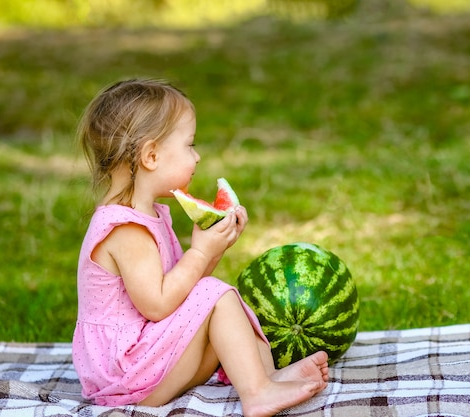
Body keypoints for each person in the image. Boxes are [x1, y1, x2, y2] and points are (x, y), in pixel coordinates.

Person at [72, 79, 329, 416]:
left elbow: (184, 294)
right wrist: (200, 253)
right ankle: (258, 392)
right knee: (216, 294)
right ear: (150, 156)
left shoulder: (148, 215)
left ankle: (267, 376)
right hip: (126, 375)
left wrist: (216, 247)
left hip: (145, 362)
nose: (198, 156)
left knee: (220, 297)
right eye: (190, 145)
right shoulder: (126, 230)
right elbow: (159, 305)